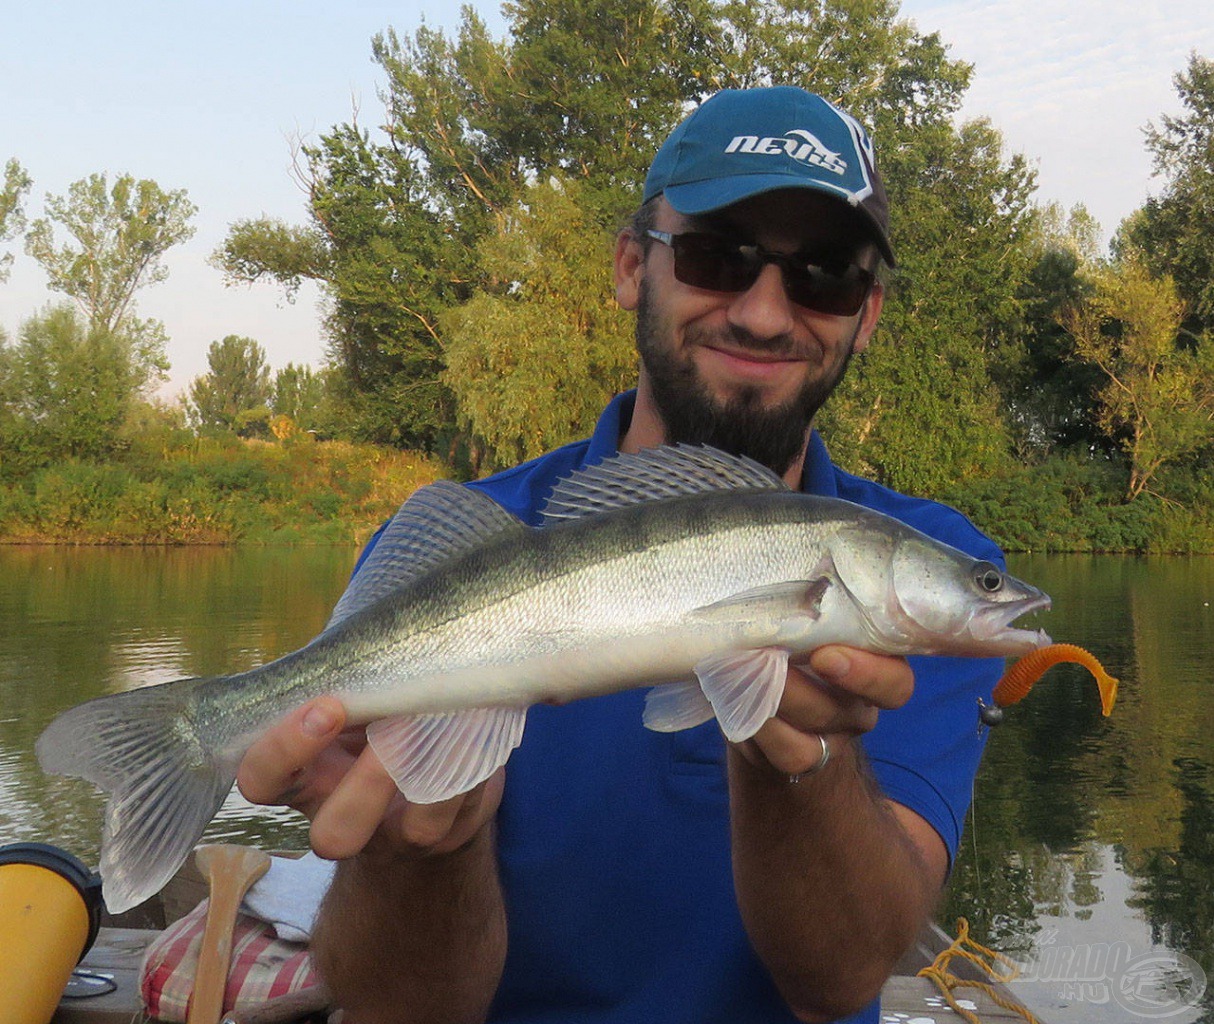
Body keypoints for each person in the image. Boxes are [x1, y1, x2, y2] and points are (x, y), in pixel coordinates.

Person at [237, 87, 1006, 1024]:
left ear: (868, 315)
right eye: (720, 258)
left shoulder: (924, 576)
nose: (765, 316)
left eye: (824, 276)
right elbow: (405, 1011)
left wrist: (799, 761)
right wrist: (416, 853)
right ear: (632, 266)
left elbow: (837, 983)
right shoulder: (458, 541)